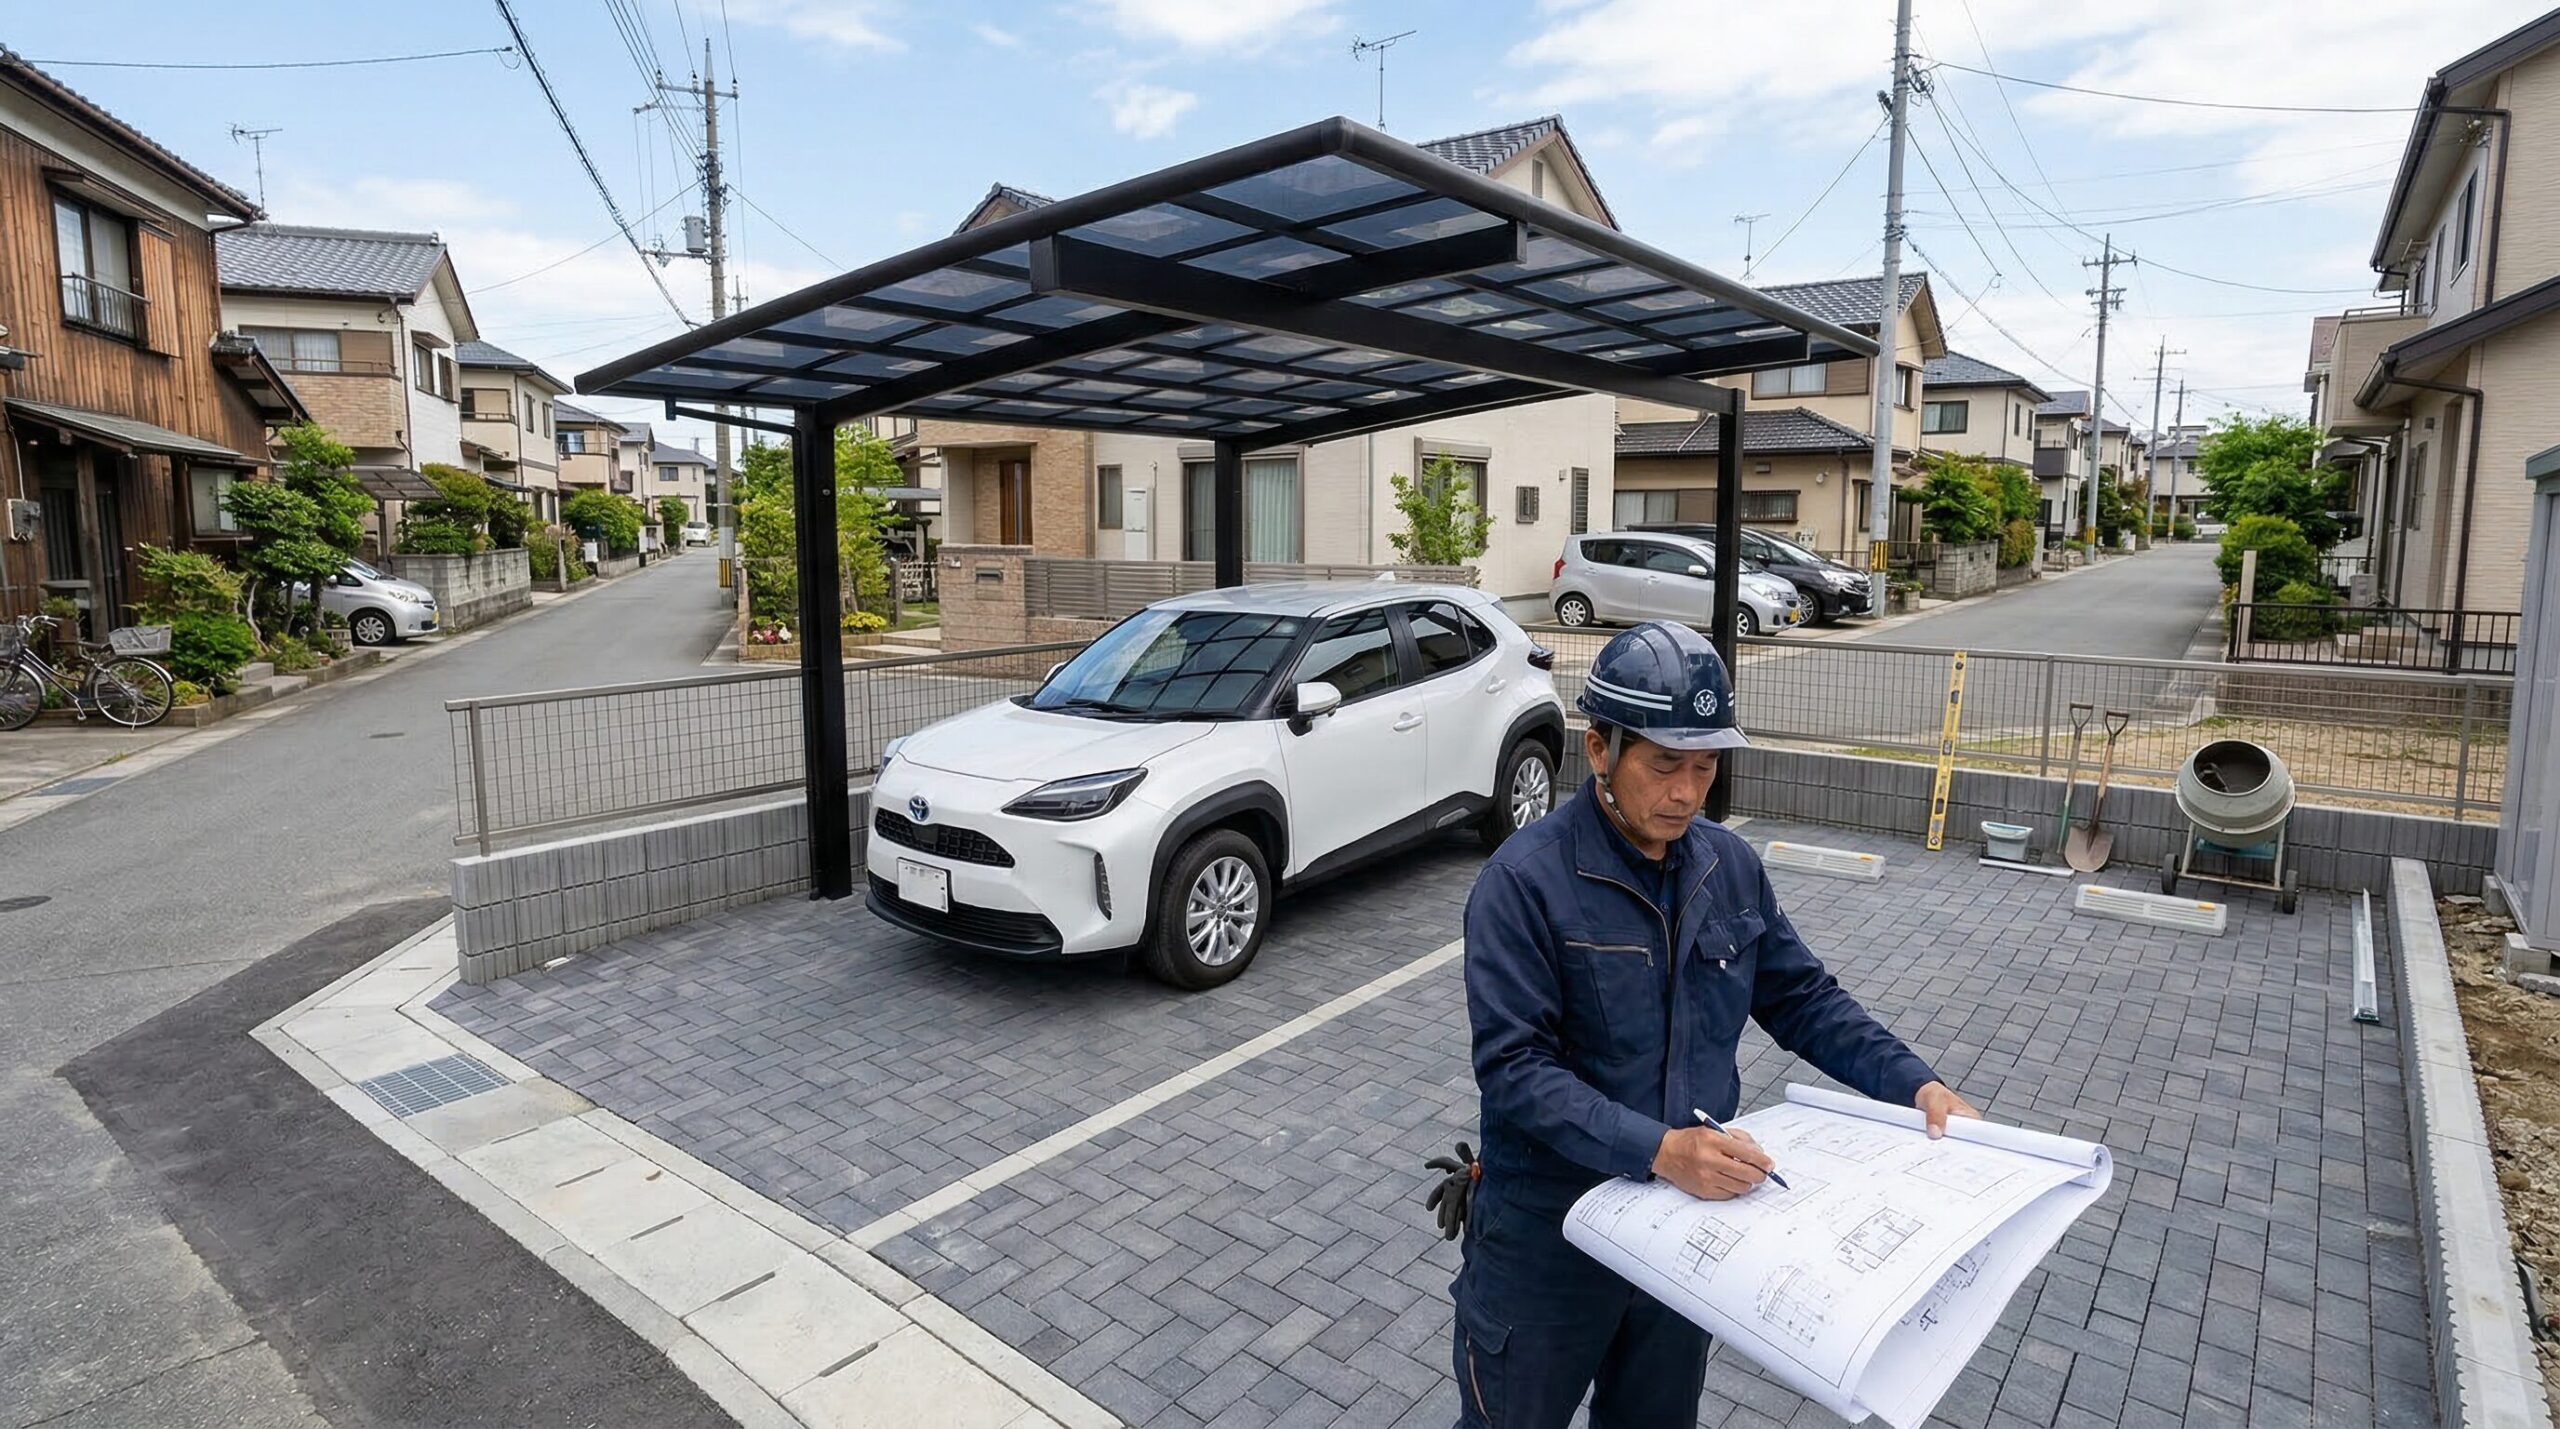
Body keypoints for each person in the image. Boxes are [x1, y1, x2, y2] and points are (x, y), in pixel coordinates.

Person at [1444, 620, 1976, 1429]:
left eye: (1705, 765)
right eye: (1663, 764)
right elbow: (1516, 1070)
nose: (1688, 792)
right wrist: (1657, 1150)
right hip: (1545, 1239)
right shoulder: (1524, 882)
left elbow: (1803, 998)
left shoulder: (1729, 865)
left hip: (1681, 1234)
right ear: (1598, 750)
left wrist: (1918, 1083)